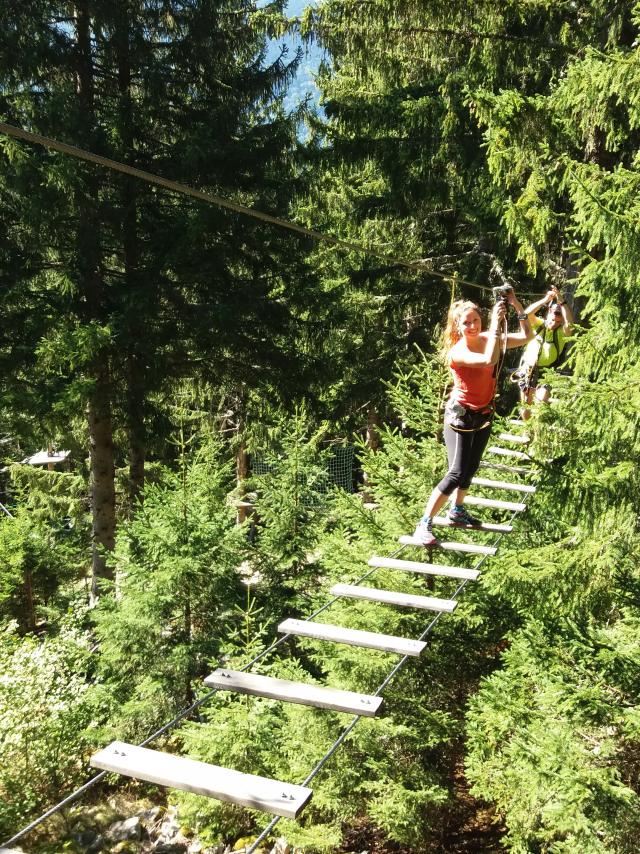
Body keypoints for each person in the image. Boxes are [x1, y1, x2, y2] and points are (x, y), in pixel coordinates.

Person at [414, 289, 533, 547]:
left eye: (475, 320)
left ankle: (456, 510)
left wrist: (515, 304)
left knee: (471, 469)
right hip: (460, 417)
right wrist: (493, 323)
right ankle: (424, 523)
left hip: (483, 414)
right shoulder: (458, 351)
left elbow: (527, 336)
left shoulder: (489, 337)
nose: (471, 326)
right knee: (456, 472)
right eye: (466, 322)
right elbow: (488, 358)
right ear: (457, 325)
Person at [515, 286, 574, 419]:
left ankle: (537, 433)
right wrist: (545, 300)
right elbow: (526, 314)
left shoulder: (561, 333)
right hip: (528, 370)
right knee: (526, 407)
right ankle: (527, 431)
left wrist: (562, 302)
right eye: (553, 320)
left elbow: (569, 325)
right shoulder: (538, 324)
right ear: (548, 314)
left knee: (541, 401)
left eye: (558, 322)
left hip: (546, 371)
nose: (554, 324)